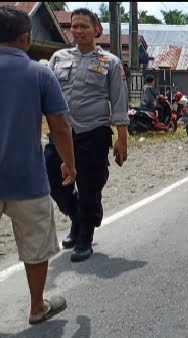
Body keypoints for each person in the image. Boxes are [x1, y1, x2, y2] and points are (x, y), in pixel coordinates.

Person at [0, 5, 76, 324]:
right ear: (26, 37)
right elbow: (59, 126)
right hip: (27, 178)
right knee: (36, 245)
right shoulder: (39, 72)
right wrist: (69, 164)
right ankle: (36, 307)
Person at [44, 8, 129, 263]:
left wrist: (121, 138)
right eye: (74, 26)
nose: (78, 31)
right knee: (53, 182)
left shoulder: (110, 62)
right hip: (61, 134)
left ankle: (84, 238)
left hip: (92, 133)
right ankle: (78, 218)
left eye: (84, 26)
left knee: (90, 187)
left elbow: (119, 101)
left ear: (96, 30)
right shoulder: (57, 58)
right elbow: (45, 91)